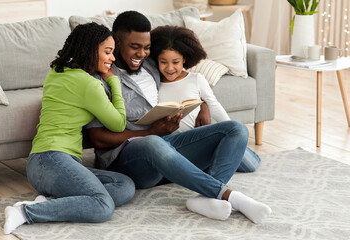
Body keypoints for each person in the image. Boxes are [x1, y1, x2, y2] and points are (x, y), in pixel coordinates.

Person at [85, 11, 271, 223]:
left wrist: (203, 105)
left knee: (235, 129)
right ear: (117, 42)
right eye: (135, 47)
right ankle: (230, 196)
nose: (141, 54)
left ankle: (206, 198)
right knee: (153, 142)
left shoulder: (151, 64)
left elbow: (182, 69)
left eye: (146, 48)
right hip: (128, 160)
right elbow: (97, 139)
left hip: (165, 149)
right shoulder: (99, 77)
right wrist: (150, 132)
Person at [3, 22, 135, 235]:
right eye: (108, 52)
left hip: (43, 165)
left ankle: (52, 200)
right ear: (91, 50)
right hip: (53, 159)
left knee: (124, 185)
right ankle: (26, 212)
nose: (112, 59)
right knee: (103, 206)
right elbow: (118, 124)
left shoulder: (57, 70)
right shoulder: (89, 85)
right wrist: (114, 83)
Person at [150, 25, 265, 219]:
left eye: (176, 62)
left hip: (201, 141)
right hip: (177, 146)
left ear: (185, 58)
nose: (169, 68)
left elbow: (219, 113)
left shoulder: (196, 79)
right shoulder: (153, 83)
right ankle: (213, 192)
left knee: (251, 163)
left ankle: (206, 195)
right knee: (237, 155)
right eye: (163, 62)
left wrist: (207, 108)